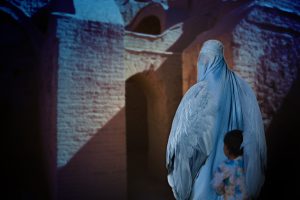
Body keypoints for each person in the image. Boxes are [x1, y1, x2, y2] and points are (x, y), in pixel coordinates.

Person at [166, 40, 266, 200]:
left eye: (204, 60)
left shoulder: (197, 94)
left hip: (205, 185)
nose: (202, 65)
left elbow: (183, 158)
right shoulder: (245, 89)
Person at [211, 130, 248, 200]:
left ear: (227, 149)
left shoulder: (223, 166)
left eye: (224, 145)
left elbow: (216, 184)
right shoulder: (245, 162)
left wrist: (221, 191)